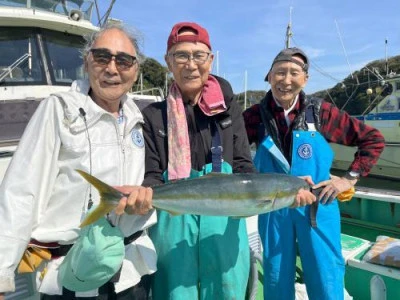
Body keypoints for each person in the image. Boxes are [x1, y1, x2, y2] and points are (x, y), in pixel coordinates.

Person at [0, 23, 157, 299]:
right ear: (87, 62)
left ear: (135, 71)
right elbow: (21, 192)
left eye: (123, 60)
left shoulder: (139, 119)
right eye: (101, 57)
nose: (112, 68)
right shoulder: (59, 110)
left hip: (131, 275)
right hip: (72, 276)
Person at [243, 47, 385, 300]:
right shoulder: (254, 117)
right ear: (269, 76)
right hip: (274, 209)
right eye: (279, 72)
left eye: (294, 73)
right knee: (275, 278)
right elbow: (235, 155)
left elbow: (372, 140)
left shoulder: (321, 113)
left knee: (325, 275)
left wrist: (347, 179)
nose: (286, 80)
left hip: (319, 207)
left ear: (305, 79)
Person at [140, 21, 256, 300]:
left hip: (224, 221)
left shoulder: (229, 111)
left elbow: (243, 165)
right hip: (172, 222)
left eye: (198, 55)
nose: (190, 64)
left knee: (227, 291)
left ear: (210, 60)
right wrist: (145, 193)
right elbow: (152, 175)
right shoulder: (153, 115)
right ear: (168, 62)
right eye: (181, 55)